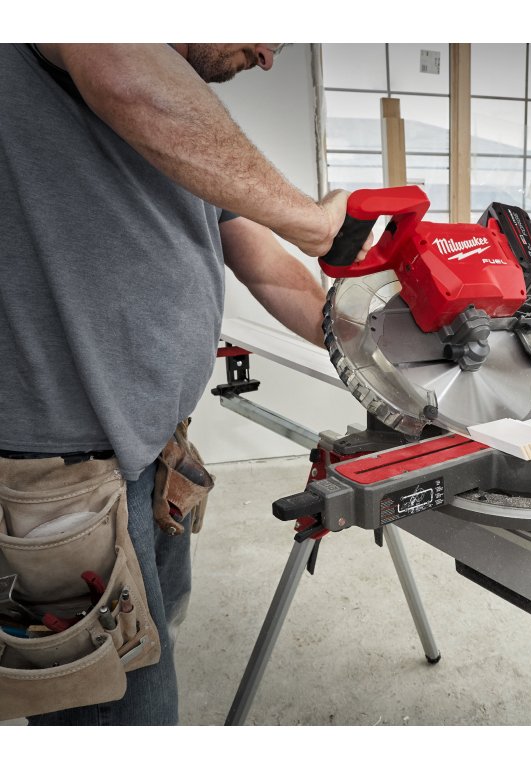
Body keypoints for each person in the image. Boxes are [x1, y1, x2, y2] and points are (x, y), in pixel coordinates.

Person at [0, 43, 369, 725]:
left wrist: (373, 348)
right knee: (121, 714)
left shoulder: (189, 137)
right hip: (62, 476)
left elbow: (267, 268)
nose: (267, 57)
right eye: (270, 28)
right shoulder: (87, 50)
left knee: (159, 629)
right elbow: (119, 68)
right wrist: (312, 219)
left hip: (155, 446)